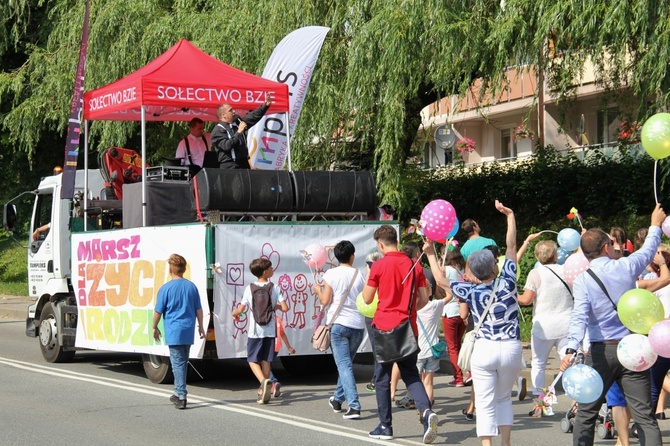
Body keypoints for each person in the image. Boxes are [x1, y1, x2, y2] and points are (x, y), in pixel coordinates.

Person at [560, 203, 666, 446]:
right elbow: (649, 250)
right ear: (607, 247)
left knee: (587, 414)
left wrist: (571, 347)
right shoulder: (626, 266)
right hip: (634, 347)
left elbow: (579, 316)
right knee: (644, 417)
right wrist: (654, 224)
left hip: (601, 351)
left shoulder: (583, 280)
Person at [450, 200, 523, 446]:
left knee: (484, 401)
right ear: (495, 266)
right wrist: (509, 215)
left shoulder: (469, 291)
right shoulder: (509, 281)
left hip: (485, 348)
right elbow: (512, 245)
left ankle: (487, 445)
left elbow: (440, 279)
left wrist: (431, 252)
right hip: (511, 348)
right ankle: (506, 443)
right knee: (504, 399)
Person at [362, 225, 438, 444]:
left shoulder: (378, 265)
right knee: (411, 374)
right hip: (408, 327)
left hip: (384, 326)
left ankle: (385, 426)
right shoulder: (415, 265)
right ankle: (426, 412)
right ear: (396, 239)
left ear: (380, 244)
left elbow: (367, 299)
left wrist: (370, 277)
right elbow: (424, 299)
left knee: (383, 378)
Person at [315, 240, 367, 419]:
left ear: (337, 257)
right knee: (346, 365)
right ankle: (337, 399)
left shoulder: (331, 274)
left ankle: (354, 406)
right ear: (352, 256)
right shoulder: (360, 275)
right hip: (358, 326)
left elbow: (325, 300)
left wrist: (317, 290)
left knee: (344, 366)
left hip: (338, 325)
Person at [518, 239, 573, 400]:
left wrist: (512, 294)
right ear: (555, 255)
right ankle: (574, 393)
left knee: (539, 363)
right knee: (568, 360)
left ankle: (540, 394)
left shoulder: (535, 274)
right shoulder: (566, 270)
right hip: (567, 323)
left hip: (544, 326)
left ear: (536, 256)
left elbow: (526, 300)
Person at [152, 254, 205, 409]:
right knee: (182, 361)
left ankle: (181, 395)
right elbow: (199, 309)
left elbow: (158, 312)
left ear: (170, 269)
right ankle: (178, 392)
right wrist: (201, 326)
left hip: (173, 330)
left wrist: (154, 327)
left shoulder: (166, 288)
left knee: (177, 363)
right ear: (184, 269)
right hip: (188, 329)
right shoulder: (191, 287)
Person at [232, 258, 288, 404]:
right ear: (265, 272)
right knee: (266, 360)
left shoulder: (249, 288)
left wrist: (235, 312)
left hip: (255, 331)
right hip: (270, 331)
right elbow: (285, 308)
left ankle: (263, 382)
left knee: (251, 359)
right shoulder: (275, 288)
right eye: (270, 268)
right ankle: (264, 388)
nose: (272, 270)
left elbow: (241, 309)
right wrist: (276, 307)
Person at [211, 95, 273, 169]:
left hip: (244, 163)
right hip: (230, 166)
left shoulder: (238, 122)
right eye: (230, 110)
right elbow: (226, 146)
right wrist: (239, 132)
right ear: (224, 115)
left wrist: (265, 106)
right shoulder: (218, 130)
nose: (234, 111)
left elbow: (252, 117)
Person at [364, 251, 383, 393]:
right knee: (381, 349)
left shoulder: (373, 276)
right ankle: (380, 378)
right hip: (381, 312)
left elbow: (366, 295)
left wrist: (368, 274)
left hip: (373, 312)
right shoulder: (384, 272)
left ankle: (378, 379)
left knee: (377, 349)